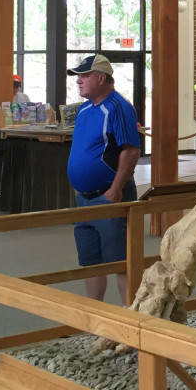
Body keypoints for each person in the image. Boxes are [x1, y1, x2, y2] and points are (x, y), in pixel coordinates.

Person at [66, 53, 140, 303]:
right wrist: (78, 187)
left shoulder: (118, 107)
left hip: (109, 196)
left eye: (84, 76)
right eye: (78, 77)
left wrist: (116, 188)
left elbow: (131, 150)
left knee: (120, 262)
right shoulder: (84, 110)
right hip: (85, 199)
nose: (78, 81)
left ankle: (131, 317)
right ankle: (95, 315)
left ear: (101, 78)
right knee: (91, 263)